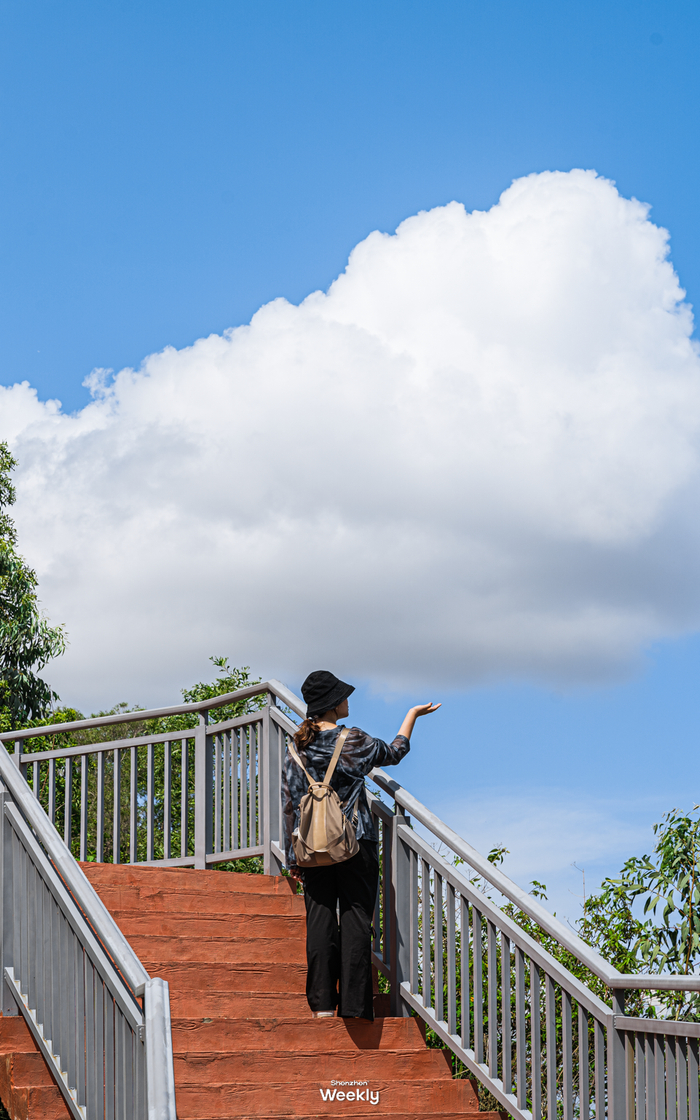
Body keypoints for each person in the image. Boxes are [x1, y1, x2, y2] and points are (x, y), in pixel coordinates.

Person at [281, 669, 440, 1020]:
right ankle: (354, 1006)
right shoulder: (352, 740)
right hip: (355, 842)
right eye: (343, 696)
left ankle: (322, 1004)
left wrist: (293, 858)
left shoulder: (296, 746)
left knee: (319, 920)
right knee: (355, 919)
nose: (348, 701)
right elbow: (395, 752)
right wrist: (412, 715)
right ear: (333, 704)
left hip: (311, 847)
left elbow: (290, 803)